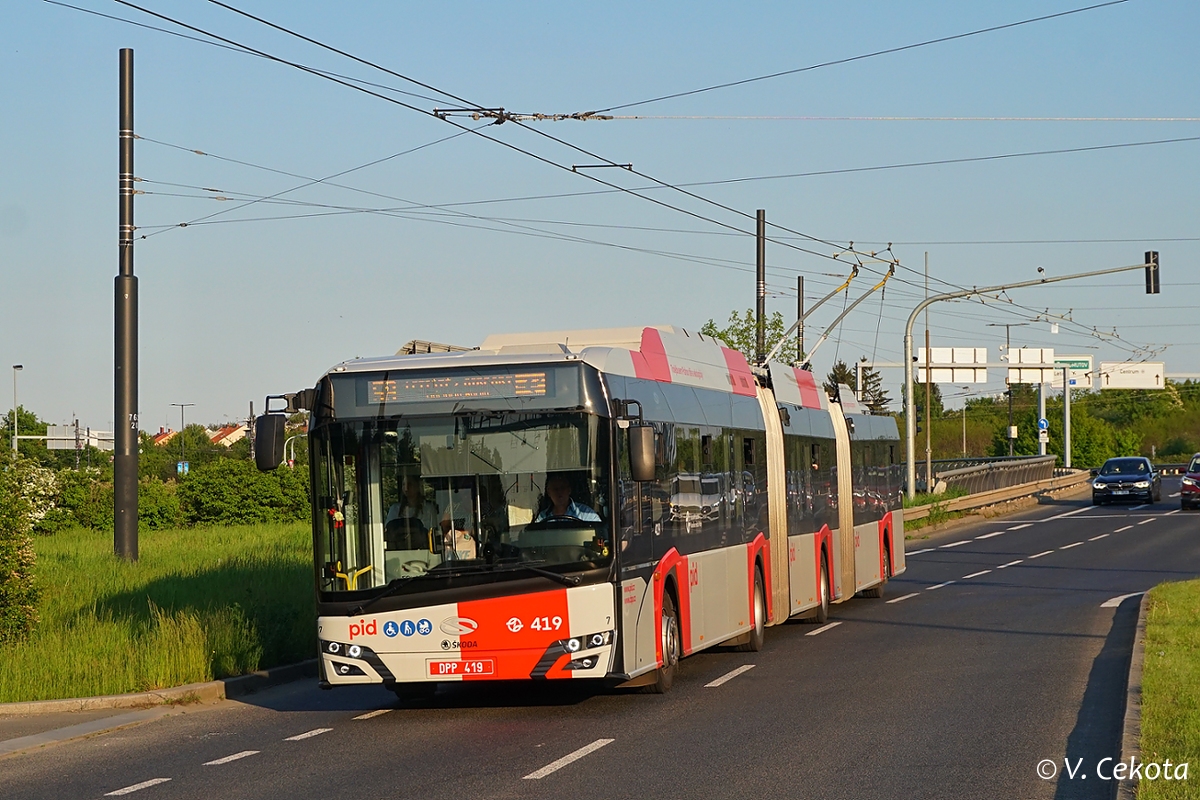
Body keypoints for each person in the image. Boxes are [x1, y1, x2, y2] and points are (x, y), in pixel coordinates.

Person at [385, 474, 440, 548]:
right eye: (404, 484)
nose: (406, 488)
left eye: (410, 484)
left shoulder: (429, 508)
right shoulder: (394, 509)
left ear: (418, 487)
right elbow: (389, 533)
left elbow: (432, 532)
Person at [534, 473, 601, 522]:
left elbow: (598, 532)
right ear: (549, 492)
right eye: (555, 489)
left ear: (569, 490)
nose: (559, 492)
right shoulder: (542, 517)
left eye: (562, 488)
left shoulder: (586, 514)